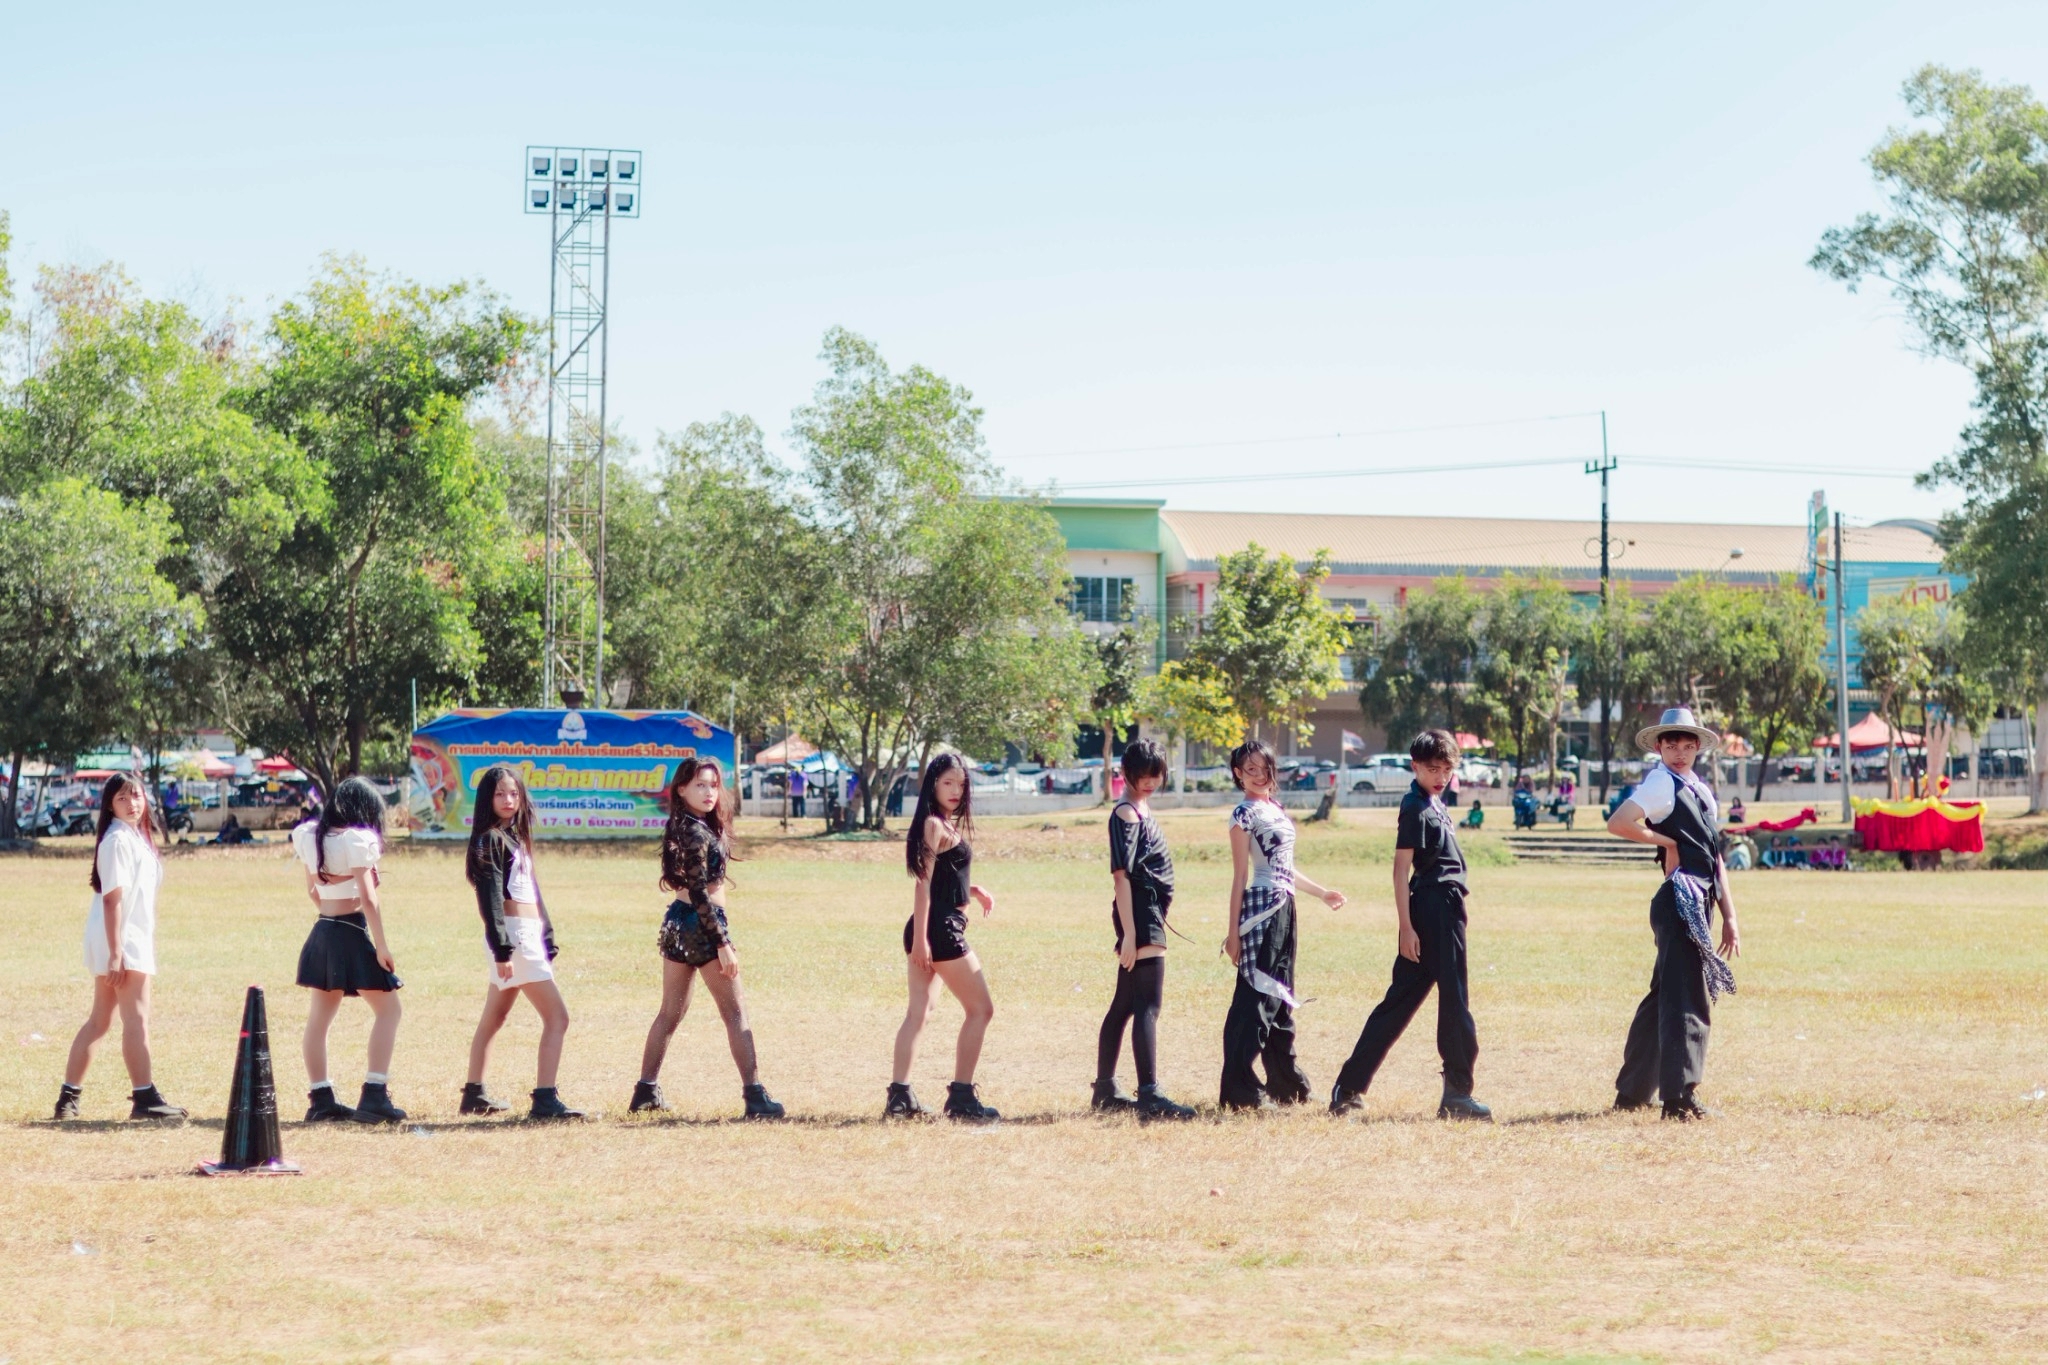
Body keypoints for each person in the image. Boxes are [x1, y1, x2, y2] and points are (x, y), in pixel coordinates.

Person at [1331, 730, 1490, 1120]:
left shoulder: (1433, 802)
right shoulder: (1416, 807)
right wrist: (1406, 927)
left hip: (1440, 907)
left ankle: (1348, 1087)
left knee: (1399, 1002)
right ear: (1414, 766)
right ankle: (1457, 1093)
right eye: (1432, 769)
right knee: (1454, 1001)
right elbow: (1401, 869)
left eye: (1447, 770)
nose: (1441, 777)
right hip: (1435, 910)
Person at [1605, 707, 1741, 1121]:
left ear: (1698, 747)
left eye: (1686, 745)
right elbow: (1619, 822)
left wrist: (1730, 916)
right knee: (1686, 995)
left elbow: (1714, 858)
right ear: (1659, 748)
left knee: (1663, 996)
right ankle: (1680, 1098)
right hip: (1680, 900)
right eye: (1671, 746)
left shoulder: (1698, 790)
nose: (1679, 753)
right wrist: (1667, 842)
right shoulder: (1662, 782)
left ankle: (1633, 1091)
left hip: (1697, 900)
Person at [632, 757, 785, 1119]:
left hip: (677, 922)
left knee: (670, 1012)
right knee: (735, 1013)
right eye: (700, 785)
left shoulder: (686, 825)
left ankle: (645, 1091)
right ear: (682, 789)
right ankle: (755, 1096)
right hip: (702, 924)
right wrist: (722, 943)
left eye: (713, 785)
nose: (709, 792)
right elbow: (700, 893)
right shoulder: (696, 832)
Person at [1219, 739, 1348, 1110]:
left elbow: (1285, 867)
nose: (1259, 776)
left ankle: (1287, 1085)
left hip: (1285, 908)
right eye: (1251, 769)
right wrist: (1232, 934)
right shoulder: (1243, 815)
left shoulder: (1275, 808)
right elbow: (1240, 876)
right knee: (1255, 999)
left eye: (1265, 768)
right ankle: (1240, 1091)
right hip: (1261, 910)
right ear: (1238, 774)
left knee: (1279, 998)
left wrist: (1321, 892)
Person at [53, 775, 186, 1122]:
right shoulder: (116, 840)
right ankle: (144, 1097)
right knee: (135, 1019)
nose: (132, 804)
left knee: (101, 1020)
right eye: (122, 799)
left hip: (126, 937)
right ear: (110, 805)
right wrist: (116, 953)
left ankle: (68, 1098)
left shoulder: (133, 837)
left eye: (136, 796)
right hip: (122, 940)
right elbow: (112, 900)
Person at [463, 765, 584, 1120]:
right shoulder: (490, 840)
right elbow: (490, 900)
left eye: (514, 793)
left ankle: (474, 1094)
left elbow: (533, 893)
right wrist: (502, 948)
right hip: (514, 938)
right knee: (558, 1017)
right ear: (487, 799)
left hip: (525, 936)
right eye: (500, 793)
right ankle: (545, 1099)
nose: (508, 799)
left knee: (495, 1016)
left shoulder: (513, 838)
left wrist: (548, 937)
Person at [889, 752, 1000, 1121]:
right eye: (947, 783)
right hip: (938, 929)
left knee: (919, 1013)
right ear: (932, 785)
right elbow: (922, 886)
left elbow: (944, 879)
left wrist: (973, 890)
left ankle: (900, 1098)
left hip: (933, 926)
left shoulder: (943, 825)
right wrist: (922, 941)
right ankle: (962, 1097)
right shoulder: (933, 824)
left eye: (961, 784)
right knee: (981, 1010)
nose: (955, 790)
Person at [291, 777, 406, 1123]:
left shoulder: (311, 836)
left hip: (323, 930)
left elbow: (313, 892)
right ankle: (374, 1093)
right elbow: (369, 899)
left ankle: (321, 1099)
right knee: (389, 1011)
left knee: (319, 1020)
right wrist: (382, 946)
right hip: (351, 933)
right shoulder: (357, 840)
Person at [1092, 740, 1196, 1121]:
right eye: (1142, 775)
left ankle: (1105, 1090)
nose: (1150, 781)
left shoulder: (1139, 808)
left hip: (1144, 912)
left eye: (1156, 775)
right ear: (1126, 774)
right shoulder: (1126, 814)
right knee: (1148, 1006)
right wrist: (1131, 935)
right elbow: (1121, 878)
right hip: (1140, 914)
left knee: (1123, 1005)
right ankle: (1150, 1094)